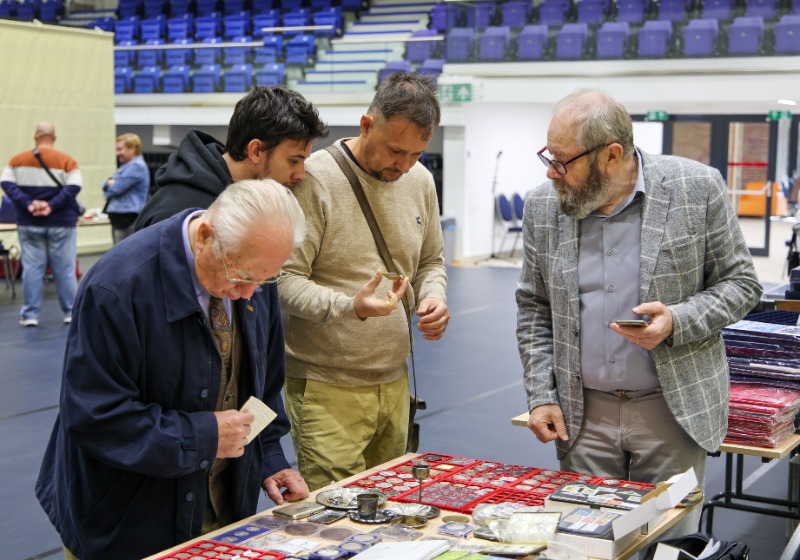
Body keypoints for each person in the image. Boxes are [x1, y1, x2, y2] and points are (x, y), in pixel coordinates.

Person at [516, 89, 763, 534]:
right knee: (584, 541)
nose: (552, 173)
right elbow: (534, 306)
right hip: (581, 416)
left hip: (672, 411)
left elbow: (742, 284)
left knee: (669, 541)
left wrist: (678, 321)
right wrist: (541, 394)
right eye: (548, 157)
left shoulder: (696, 187)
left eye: (563, 160)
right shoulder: (542, 205)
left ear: (611, 155)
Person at [36, 180, 309, 560]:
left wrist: (269, 459)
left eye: (264, 280)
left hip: (222, 513)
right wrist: (203, 436)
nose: (250, 293)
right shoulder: (118, 287)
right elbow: (94, 416)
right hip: (127, 524)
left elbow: (261, 391)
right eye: (243, 277)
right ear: (204, 236)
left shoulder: (252, 276)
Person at [278, 73, 450, 491]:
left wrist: (434, 297)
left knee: (392, 508)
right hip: (325, 388)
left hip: (395, 383)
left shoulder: (420, 181)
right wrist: (348, 307)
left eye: (416, 154)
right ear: (366, 125)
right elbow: (283, 280)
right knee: (334, 520)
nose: (404, 165)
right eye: (395, 151)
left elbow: (431, 262)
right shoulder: (314, 180)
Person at [135, 85, 328, 230]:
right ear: (256, 151)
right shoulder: (179, 215)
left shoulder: (251, 198)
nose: (301, 175)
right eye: (293, 161)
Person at [0, 121, 82, 327]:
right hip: (61, 222)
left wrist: (29, 204)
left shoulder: (17, 160)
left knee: (32, 268)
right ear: (53, 137)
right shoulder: (67, 160)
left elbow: (6, 183)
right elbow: (75, 186)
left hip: (29, 222)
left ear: (36, 136)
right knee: (64, 268)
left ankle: (30, 315)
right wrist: (51, 205)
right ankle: (71, 312)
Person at [102, 132, 150, 244]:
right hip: (120, 219)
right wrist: (108, 183)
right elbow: (106, 184)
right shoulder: (126, 167)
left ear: (132, 149)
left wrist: (109, 183)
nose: (117, 153)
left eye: (120, 149)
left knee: (123, 256)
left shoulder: (137, 167)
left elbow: (115, 189)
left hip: (128, 219)